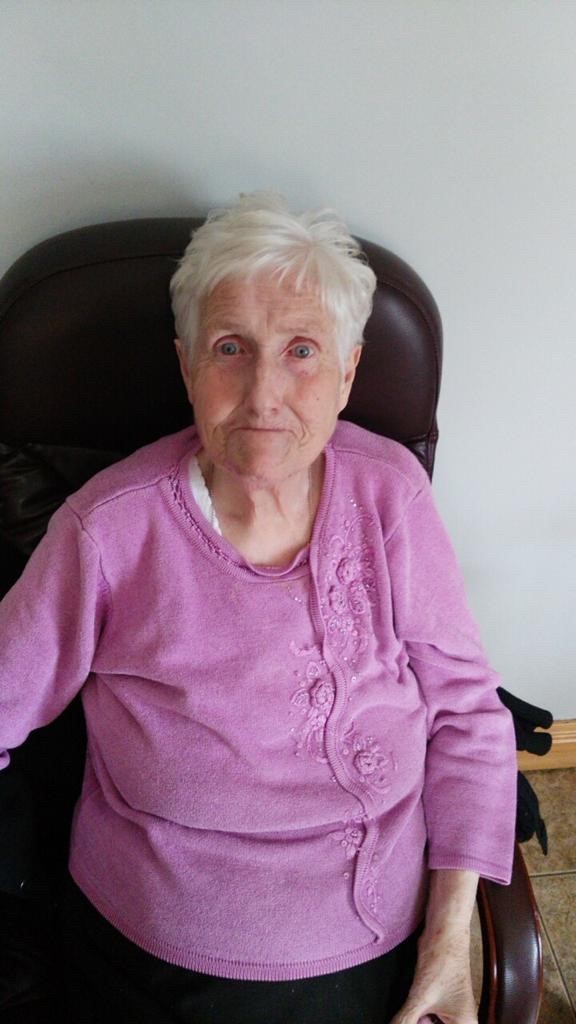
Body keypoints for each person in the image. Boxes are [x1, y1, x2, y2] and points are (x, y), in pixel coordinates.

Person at [0, 193, 516, 1024]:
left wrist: (448, 947)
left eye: (301, 350)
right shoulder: (108, 531)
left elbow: (467, 716)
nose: (263, 394)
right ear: (186, 367)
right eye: (230, 348)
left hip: (378, 944)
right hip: (160, 963)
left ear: (348, 373)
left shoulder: (391, 495)